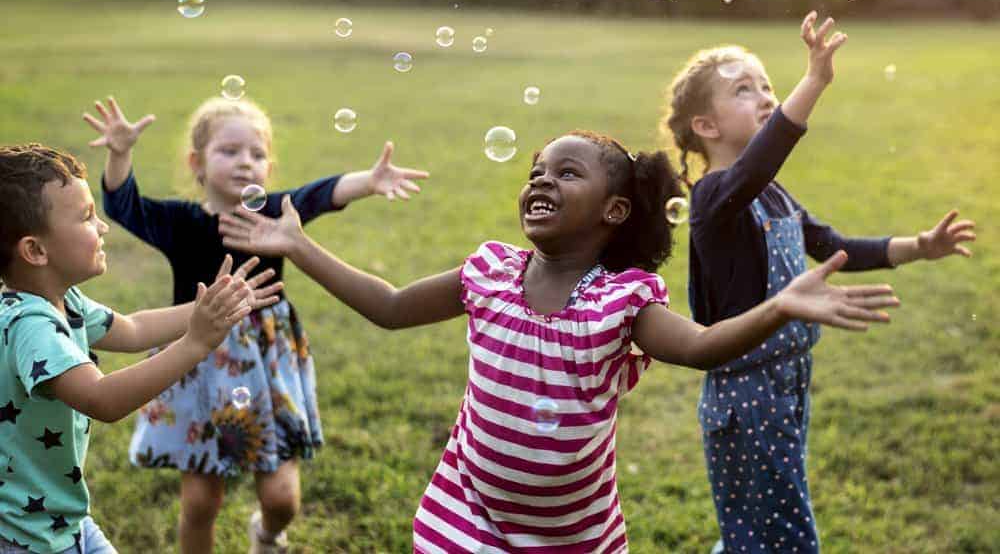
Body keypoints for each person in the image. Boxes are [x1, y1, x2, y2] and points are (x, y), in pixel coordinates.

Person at [217, 129, 899, 552]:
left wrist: (781, 305)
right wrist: (298, 246)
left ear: (615, 210)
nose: (542, 179)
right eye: (537, 171)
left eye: (566, 172)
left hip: (575, 537)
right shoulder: (488, 272)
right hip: (469, 516)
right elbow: (392, 307)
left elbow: (701, 347)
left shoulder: (619, 303)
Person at [663, 12, 976, 553]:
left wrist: (918, 247)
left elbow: (834, 247)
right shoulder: (714, 200)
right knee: (782, 533)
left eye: (768, 85)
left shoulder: (773, 195)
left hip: (787, 382)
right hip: (748, 392)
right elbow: (761, 160)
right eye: (744, 90)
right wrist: (815, 82)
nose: (764, 97)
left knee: (762, 521)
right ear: (705, 127)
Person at [83, 96, 429, 554]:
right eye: (229, 151)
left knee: (282, 498)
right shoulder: (180, 223)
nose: (245, 162)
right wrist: (120, 153)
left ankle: (266, 535)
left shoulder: (274, 215)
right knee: (200, 502)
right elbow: (125, 207)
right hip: (199, 360)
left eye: (257, 153)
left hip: (267, 364)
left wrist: (370, 180)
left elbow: (322, 193)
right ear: (197, 162)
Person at [0, 143, 278, 553]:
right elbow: (102, 399)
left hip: (62, 521)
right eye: (87, 217)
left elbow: (132, 328)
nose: (103, 227)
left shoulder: (63, 299)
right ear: (36, 251)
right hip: (23, 536)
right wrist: (197, 342)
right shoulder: (30, 325)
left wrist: (210, 305)